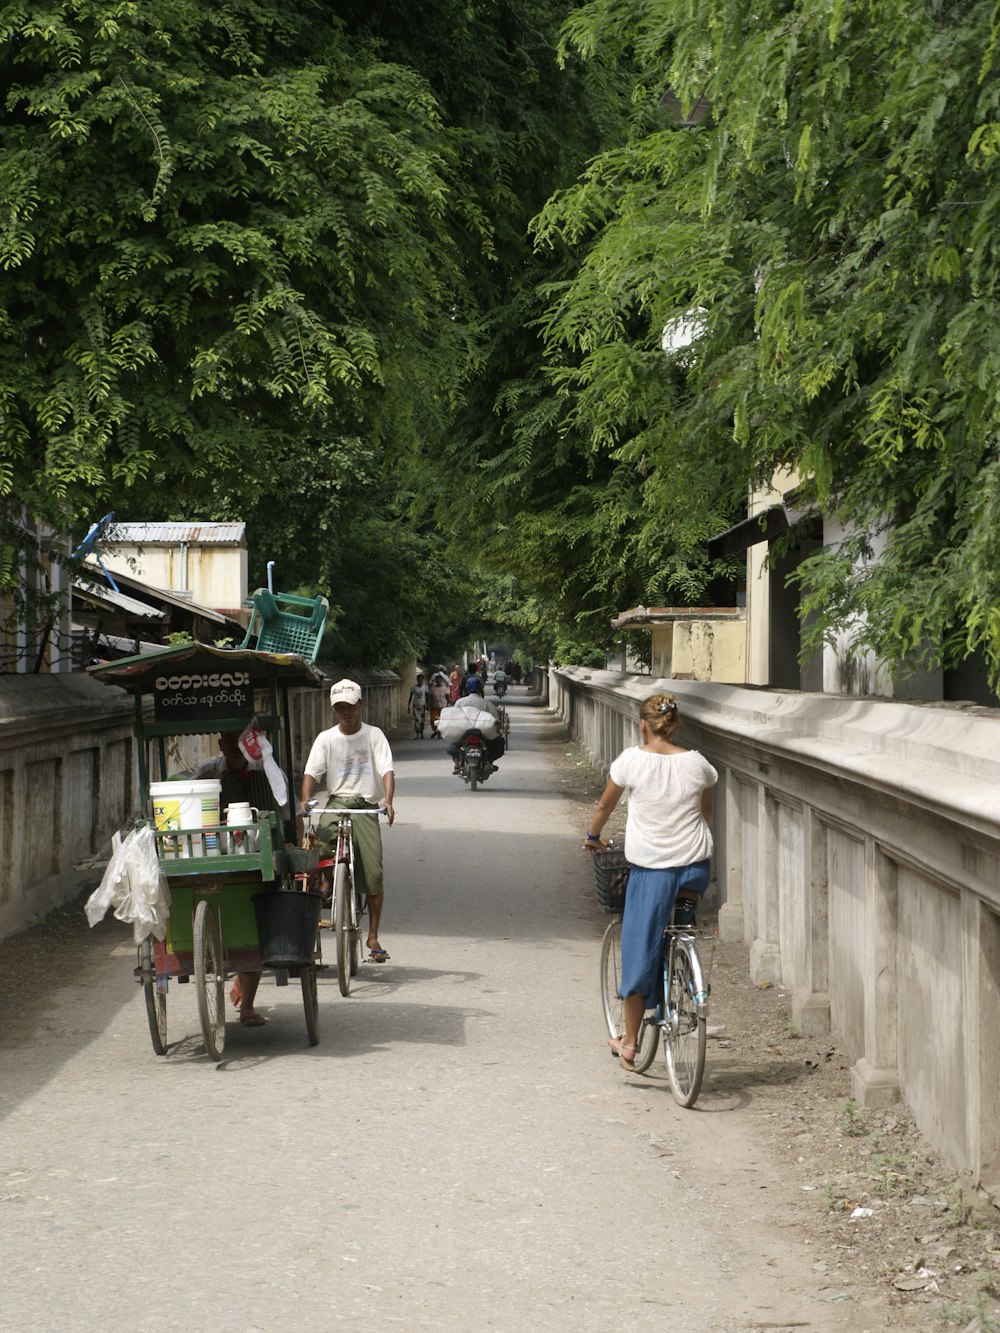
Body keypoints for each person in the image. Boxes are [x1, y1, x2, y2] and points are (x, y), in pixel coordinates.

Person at [583, 693, 717, 1071]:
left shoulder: (631, 761)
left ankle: (629, 1042)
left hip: (653, 872)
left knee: (639, 950)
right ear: (675, 725)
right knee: (678, 928)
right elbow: (706, 813)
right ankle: (682, 973)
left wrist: (593, 836)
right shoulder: (698, 764)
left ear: (643, 724)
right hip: (695, 870)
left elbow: (604, 806)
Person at [300, 680, 396, 962]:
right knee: (319, 844)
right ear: (334, 709)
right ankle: (331, 881)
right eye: (340, 707)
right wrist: (305, 800)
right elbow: (311, 773)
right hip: (337, 802)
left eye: (350, 706)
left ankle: (373, 935)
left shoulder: (374, 736)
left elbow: (387, 770)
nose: (345, 712)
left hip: (365, 805)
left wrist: (387, 801)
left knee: (374, 873)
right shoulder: (326, 738)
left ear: (360, 705)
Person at [195, 730, 275, 1027]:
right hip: (214, 858)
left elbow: (286, 805)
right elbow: (188, 806)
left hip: (257, 859)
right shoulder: (208, 772)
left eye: (240, 740)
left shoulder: (266, 767)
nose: (234, 747)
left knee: (253, 932)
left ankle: (248, 1007)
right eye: (229, 741)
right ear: (220, 745)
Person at [444, 676, 504, 772]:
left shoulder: (460, 702)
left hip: (464, 732)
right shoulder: (486, 703)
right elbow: (495, 719)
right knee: (498, 743)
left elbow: (453, 716)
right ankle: (490, 762)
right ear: (481, 688)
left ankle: (456, 763)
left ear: (467, 689)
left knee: (454, 745)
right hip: (482, 733)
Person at [408, 672, 429, 738]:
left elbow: (427, 697)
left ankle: (422, 733)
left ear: (423, 679)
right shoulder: (413, 687)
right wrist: (408, 706)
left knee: (422, 720)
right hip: (415, 705)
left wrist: (427, 705)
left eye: (421, 679)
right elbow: (410, 697)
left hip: (422, 705)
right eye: (419, 679)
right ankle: (417, 733)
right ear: (417, 679)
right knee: (416, 720)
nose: (420, 680)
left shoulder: (425, 688)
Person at [427, 672, 449, 738]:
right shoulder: (432, 688)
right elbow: (430, 697)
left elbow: (447, 696)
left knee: (441, 720)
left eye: (439, 680)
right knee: (433, 720)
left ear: (441, 680)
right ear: (435, 681)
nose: (438, 681)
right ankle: (436, 731)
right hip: (434, 706)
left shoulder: (445, 688)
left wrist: (449, 703)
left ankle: (438, 733)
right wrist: (428, 704)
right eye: (437, 680)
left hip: (443, 706)